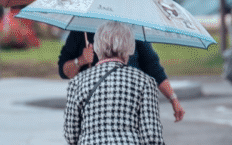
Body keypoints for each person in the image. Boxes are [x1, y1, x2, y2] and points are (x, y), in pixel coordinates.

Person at [58, 30, 186, 122]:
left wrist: (173, 99)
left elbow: (153, 68)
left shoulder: (132, 30)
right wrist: (80, 60)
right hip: (95, 108)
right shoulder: (83, 31)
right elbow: (64, 71)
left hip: (129, 106)